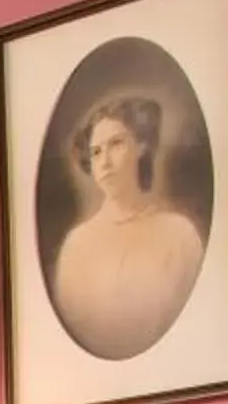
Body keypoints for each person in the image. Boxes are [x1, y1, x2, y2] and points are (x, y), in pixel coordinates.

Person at [50, 92, 207, 361]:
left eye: (116, 144)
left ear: (143, 146)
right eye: (96, 151)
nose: (105, 161)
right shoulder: (78, 245)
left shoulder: (180, 235)